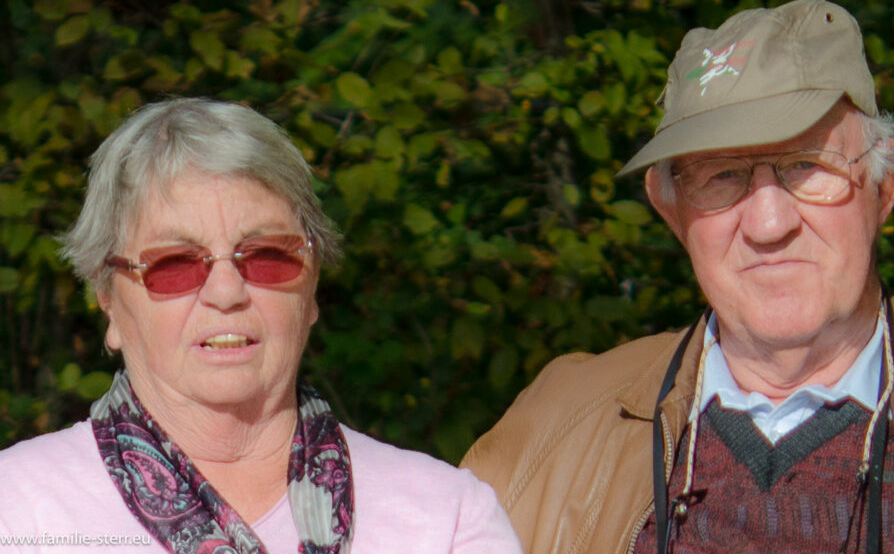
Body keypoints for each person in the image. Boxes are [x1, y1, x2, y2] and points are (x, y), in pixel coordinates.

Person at [461, 0, 894, 554]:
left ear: (885, 184)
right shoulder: (555, 426)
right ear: (671, 208)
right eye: (722, 176)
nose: (768, 223)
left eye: (807, 165)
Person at [0, 97, 522, 554]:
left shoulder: (446, 517)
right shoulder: (18, 511)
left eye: (268, 255)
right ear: (108, 299)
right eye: (175, 263)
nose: (226, 293)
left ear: (312, 287)